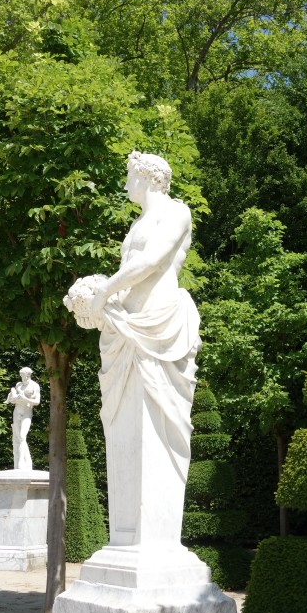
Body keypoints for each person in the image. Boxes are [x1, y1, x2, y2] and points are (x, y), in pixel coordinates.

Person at [64, 151, 201, 550]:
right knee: (122, 428)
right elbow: (132, 273)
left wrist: (104, 290)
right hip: (125, 330)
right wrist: (94, 301)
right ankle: (126, 544)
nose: (126, 182)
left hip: (159, 327)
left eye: (130, 175)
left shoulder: (176, 213)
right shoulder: (137, 222)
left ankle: (154, 546)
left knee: (158, 429)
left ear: (149, 178)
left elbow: (154, 260)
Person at [5, 367, 40, 471]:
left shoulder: (34, 385)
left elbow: (37, 401)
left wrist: (25, 399)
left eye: (24, 375)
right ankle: (28, 463)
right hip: (17, 411)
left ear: (28, 375)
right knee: (18, 438)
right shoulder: (19, 385)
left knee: (22, 436)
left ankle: (21, 462)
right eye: (21, 376)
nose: (23, 378)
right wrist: (12, 399)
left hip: (27, 412)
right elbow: (12, 399)